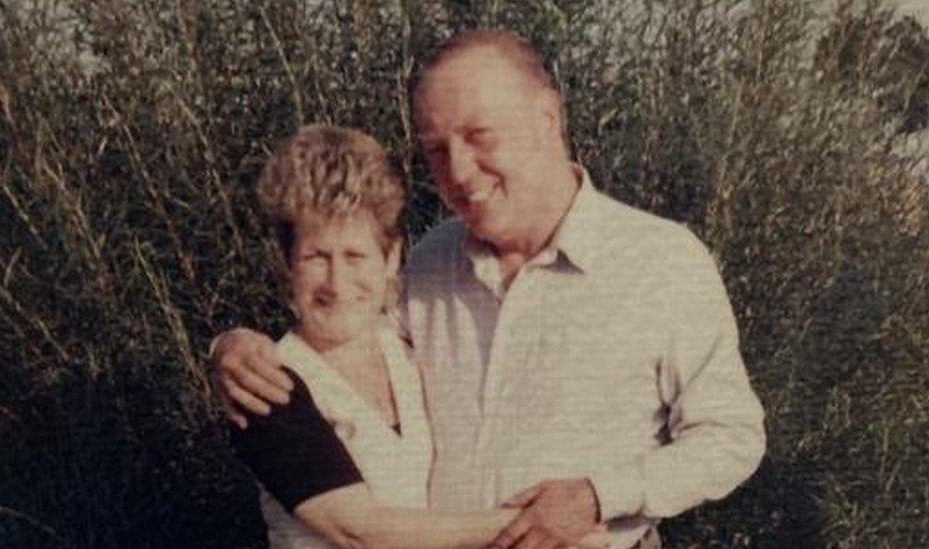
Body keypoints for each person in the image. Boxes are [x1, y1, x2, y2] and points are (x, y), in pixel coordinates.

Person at [214, 30, 766, 549]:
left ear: (547, 119)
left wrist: (600, 495)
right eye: (436, 148)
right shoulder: (430, 261)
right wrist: (233, 347)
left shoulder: (659, 260)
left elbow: (730, 437)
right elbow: (338, 340)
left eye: (479, 137)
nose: (458, 170)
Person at [234, 124, 523, 548]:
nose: (336, 282)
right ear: (287, 265)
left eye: (355, 256)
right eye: (316, 257)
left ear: (391, 259)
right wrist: (530, 525)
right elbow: (363, 533)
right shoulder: (265, 386)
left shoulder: (409, 348)